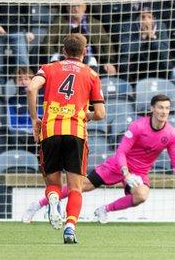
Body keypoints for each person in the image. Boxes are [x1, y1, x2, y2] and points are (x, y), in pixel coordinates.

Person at [22, 94, 175, 224]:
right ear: (152, 109)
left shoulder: (171, 133)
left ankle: (104, 210)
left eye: (166, 108)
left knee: (141, 195)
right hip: (117, 166)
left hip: (139, 172)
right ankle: (37, 205)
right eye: (160, 107)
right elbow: (121, 152)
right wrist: (125, 172)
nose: (163, 111)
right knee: (79, 186)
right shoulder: (138, 126)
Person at [26, 33, 106, 244]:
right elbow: (100, 113)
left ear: (63, 51)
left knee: (53, 183)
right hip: (76, 133)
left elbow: (31, 88)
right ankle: (70, 227)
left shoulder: (49, 68)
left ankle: (53, 200)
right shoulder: (91, 74)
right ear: (84, 52)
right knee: (75, 188)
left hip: (50, 130)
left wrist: (35, 119)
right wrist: (85, 115)